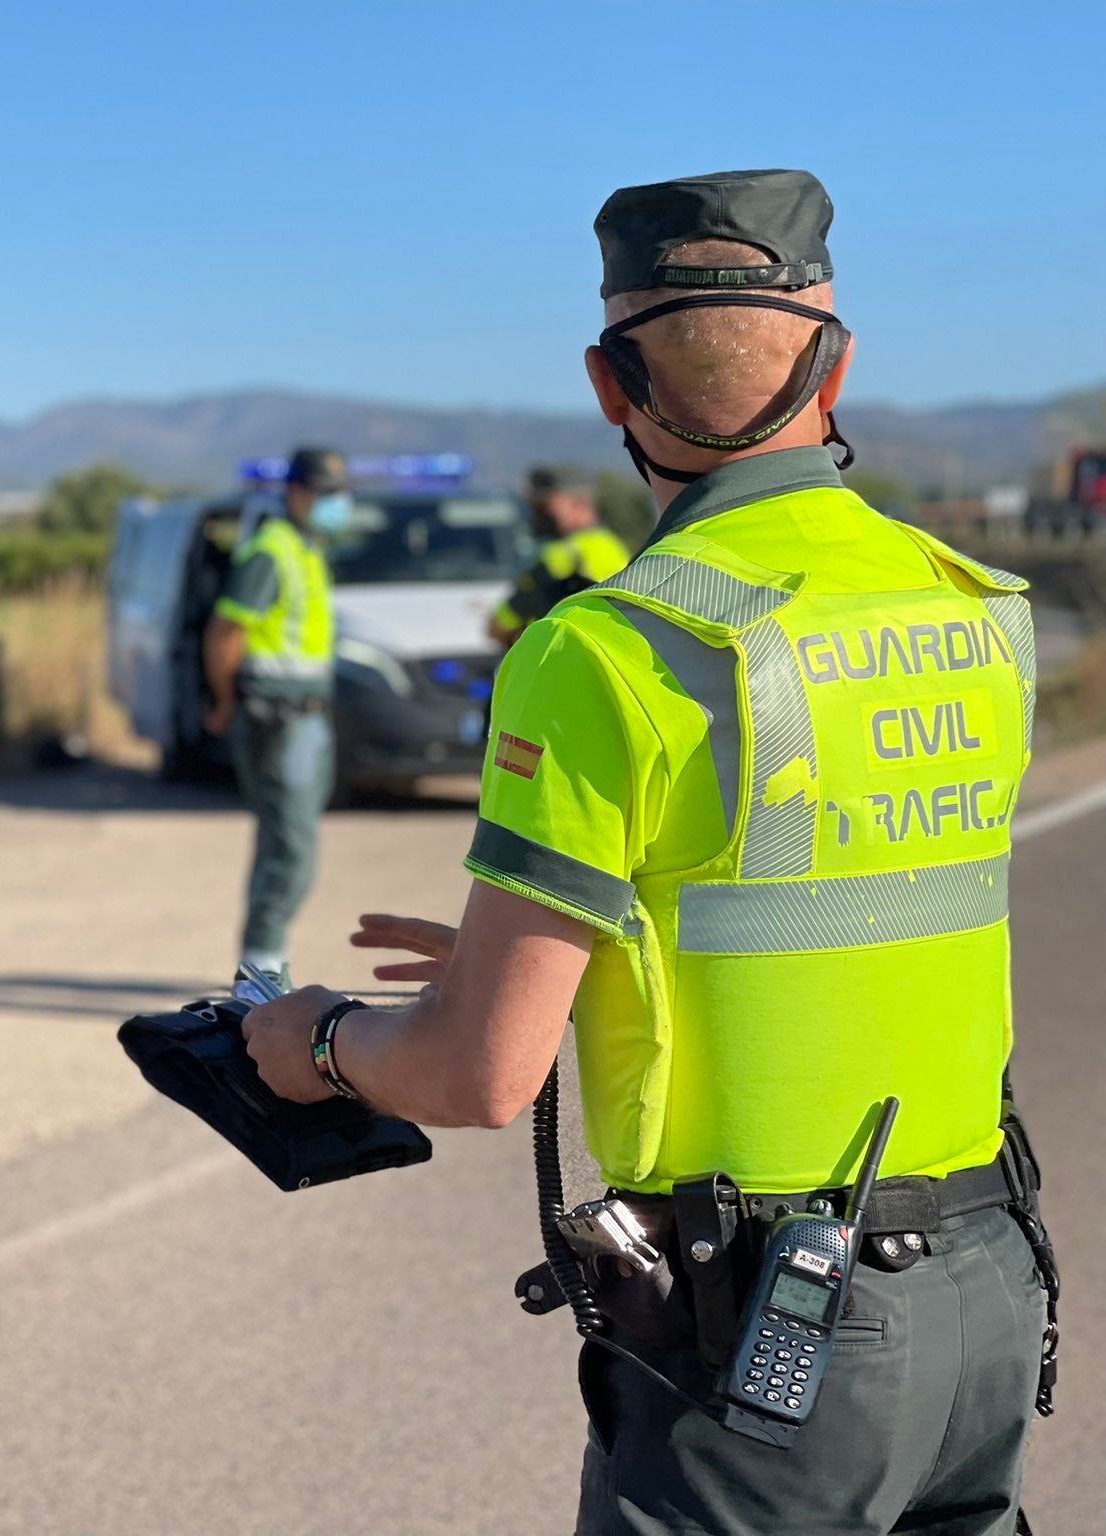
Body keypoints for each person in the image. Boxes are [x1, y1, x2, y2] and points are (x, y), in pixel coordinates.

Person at [241, 170, 1051, 1534]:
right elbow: (835, 902)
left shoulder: (606, 650)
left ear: (615, 385)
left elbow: (474, 1074)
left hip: (774, 1339)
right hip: (985, 1290)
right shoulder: (978, 607)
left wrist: (317, 1045)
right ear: (837, 361)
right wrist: (580, 959)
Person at [202, 447, 349, 983]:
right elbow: (224, 632)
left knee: (284, 845)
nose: (337, 504)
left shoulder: (307, 549)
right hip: (279, 718)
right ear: (295, 493)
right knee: (291, 850)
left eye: (340, 493)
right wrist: (223, 700)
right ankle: (260, 971)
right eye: (325, 494)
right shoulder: (272, 551)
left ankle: (259, 966)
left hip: (305, 717)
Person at [488, 469, 631, 647]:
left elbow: (499, 626)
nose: (537, 516)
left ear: (580, 504)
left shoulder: (561, 555)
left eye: (544, 507)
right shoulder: (615, 546)